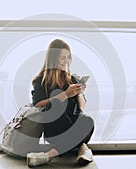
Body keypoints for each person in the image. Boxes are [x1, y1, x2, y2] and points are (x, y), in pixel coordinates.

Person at [26, 39, 95, 167]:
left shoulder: (72, 79)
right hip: (55, 129)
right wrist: (66, 94)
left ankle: (49, 156)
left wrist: (78, 93)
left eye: (68, 58)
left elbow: (81, 108)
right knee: (55, 105)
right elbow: (38, 104)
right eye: (62, 58)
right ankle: (82, 147)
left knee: (88, 120)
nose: (66, 61)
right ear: (53, 58)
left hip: (73, 127)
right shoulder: (40, 80)